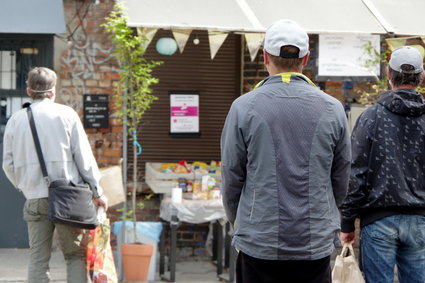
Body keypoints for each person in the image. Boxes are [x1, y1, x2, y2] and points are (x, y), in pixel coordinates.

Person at [220, 19, 351, 283]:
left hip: (259, 239)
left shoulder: (243, 107)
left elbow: (232, 177)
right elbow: (342, 177)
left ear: (265, 56)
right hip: (313, 242)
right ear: (306, 58)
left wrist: (243, 222)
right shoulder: (333, 108)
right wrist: (326, 215)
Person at [2, 67, 107, 283]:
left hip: (34, 198)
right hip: (69, 197)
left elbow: (8, 165)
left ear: (28, 90)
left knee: (38, 259)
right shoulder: (66, 114)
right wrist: (97, 191)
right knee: (75, 255)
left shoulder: (15, 120)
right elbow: (84, 158)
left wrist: (25, 187)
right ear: (53, 91)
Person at [339, 46, 425, 283]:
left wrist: (347, 222)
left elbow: (355, 173)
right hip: (420, 220)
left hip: (378, 220)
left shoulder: (371, 117)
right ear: (421, 77)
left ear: (388, 74)